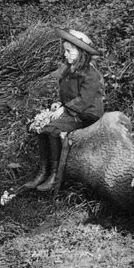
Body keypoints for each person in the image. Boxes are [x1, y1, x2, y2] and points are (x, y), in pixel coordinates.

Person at [25, 27, 104, 192]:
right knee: (42, 130)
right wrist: (59, 105)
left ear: (81, 53)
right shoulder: (69, 70)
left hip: (87, 114)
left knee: (53, 131)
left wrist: (64, 110)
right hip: (72, 112)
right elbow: (68, 95)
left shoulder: (91, 73)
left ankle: (56, 176)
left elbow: (84, 100)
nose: (65, 55)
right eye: (65, 51)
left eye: (69, 51)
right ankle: (43, 171)